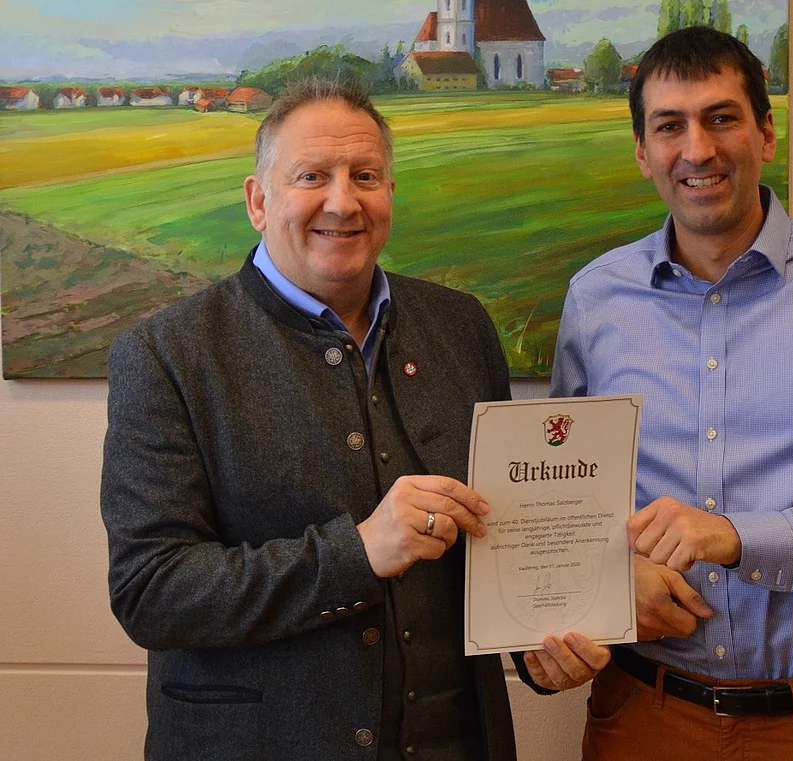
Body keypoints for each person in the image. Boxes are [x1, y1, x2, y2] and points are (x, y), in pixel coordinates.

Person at [541, 26, 793, 759]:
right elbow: (566, 504)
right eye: (669, 125)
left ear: (766, 130)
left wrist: (740, 535)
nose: (697, 149)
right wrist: (608, 578)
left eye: (721, 117)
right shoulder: (596, 299)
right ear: (642, 153)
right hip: (644, 715)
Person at [100, 78, 520, 761]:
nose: (343, 200)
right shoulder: (166, 354)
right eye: (311, 176)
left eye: (365, 175)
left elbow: (502, 533)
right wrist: (356, 553)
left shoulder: (462, 327)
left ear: (390, 193)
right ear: (257, 201)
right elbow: (152, 590)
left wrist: (546, 638)